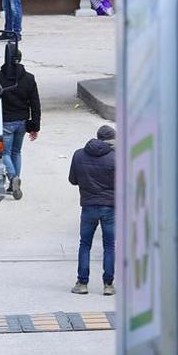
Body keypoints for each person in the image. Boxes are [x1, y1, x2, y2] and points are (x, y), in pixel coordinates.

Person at [70, 124, 117, 295]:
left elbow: (73, 180)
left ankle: (82, 283)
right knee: (109, 245)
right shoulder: (116, 158)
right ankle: (108, 285)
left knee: (85, 244)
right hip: (110, 207)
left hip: (88, 206)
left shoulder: (79, 155)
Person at [0, 44, 41, 199]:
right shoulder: (29, 78)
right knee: (17, 152)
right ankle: (13, 183)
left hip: (5, 122)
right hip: (22, 122)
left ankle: (12, 178)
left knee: (4, 152)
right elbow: (35, 103)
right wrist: (34, 126)